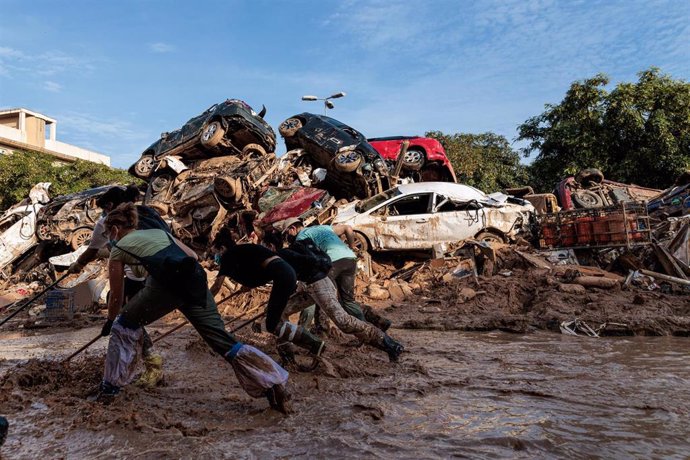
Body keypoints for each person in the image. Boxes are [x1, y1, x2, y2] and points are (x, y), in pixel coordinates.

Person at [97, 203, 291, 413]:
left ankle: (110, 390)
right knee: (224, 342)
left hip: (166, 285)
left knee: (123, 326)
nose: (110, 238)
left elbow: (116, 296)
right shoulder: (158, 232)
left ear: (115, 230)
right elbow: (193, 257)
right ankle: (272, 382)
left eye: (109, 233)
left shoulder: (118, 249)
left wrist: (109, 320)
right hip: (195, 280)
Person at [67, 185, 166, 388]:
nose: (103, 214)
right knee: (131, 319)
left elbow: (94, 250)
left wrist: (110, 320)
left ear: (109, 206)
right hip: (160, 276)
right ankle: (147, 363)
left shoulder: (108, 223)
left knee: (126, 319)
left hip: (139, 280)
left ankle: (146, 365)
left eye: (103, 209)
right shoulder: (148, 214)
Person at [278, 236, 405, 362]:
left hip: (319, 285)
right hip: (309, 286)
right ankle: (290, 355)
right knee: (279, 313)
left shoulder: (280, 256)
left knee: (343, 321)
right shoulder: (285, 254)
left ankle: (390, 344)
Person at [213, 228, 326, 360]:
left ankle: (313, 343)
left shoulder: (228, 256)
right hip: (286, 274)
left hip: (283, 276)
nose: (217, 257)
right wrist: (247, 285)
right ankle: (289, 354)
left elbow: (216, 286)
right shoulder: (243, 250)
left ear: (222, 248)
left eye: (216, 252)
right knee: (275, 320)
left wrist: (203, 301)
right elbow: (258, 274)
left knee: (272, 324)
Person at [280, 218, 392, 333]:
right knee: (348, 301)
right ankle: (373, 327)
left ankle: (322, 329)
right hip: (350, 259)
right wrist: (351, 246)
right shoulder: (322, 227)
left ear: (293, 228)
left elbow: (309, 262)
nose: (287, 237)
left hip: (332, 262)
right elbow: (347, 228)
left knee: (323, 295)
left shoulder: (301, 237)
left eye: (287, 233)